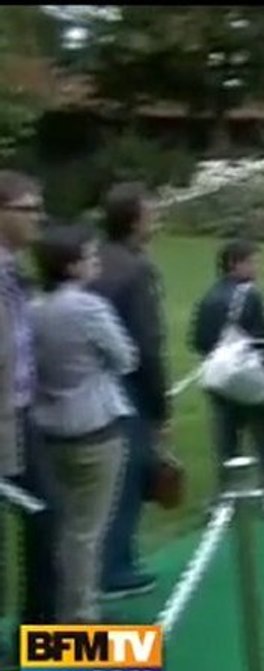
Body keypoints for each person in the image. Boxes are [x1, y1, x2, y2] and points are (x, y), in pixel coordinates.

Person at [30, 223, 138, 622]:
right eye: (91, 256)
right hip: (94, 426)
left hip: (48, 427)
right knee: (86, 529)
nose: (96, 263)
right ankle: (80, 613)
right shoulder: (88, 307)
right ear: (72, 266)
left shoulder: (32, 308)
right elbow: (125, 357)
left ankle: (60, 606)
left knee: (63, 525)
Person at [88, 182, 167, 600]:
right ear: (135, 219)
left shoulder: (99, 258)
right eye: (151, 211)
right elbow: (145, 346)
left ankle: (114, 562)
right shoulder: (135, 270)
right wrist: (161, 407)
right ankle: (114, 569)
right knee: (128, 474)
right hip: (126, 385)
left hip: (88, 382)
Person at [190, 239, 264, 516]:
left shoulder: (208, 297)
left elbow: (198, 340)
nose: (258, 267)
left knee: (227, 441)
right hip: (250, 379)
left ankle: (223, 501)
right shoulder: (250, 295)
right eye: (253, 261)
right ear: (235, 264)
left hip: (220, 379)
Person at [0, 170, 57, 671]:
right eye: (28, 208)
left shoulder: (15, 269)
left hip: (21, 413)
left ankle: (40, 641)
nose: (39, 217)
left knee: (45, 517)